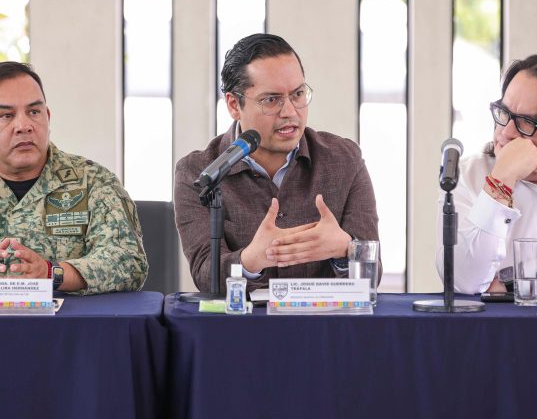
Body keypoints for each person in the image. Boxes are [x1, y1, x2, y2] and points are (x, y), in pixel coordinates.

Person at [174, 33, 380, 292]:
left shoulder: (345, 160)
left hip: (324, 317)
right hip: (244, 318)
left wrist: (345, 249)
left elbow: (372, 277)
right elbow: (205, 274)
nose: (290, 112)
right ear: (234, 105)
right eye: (271, 99)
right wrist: (251, 259)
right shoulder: (200, 172)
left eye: (298, 94)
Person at [0, 61, 148, 293]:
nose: (23, 126)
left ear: (48, 117)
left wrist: (52, 273)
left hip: (70, 316)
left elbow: (128, 262)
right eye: (6, 115)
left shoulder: (93, 180)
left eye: (34, 112)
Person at [436, 51, 537, 294]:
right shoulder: (468, 175)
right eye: (504, 113)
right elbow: (462, 281)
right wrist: (501, 180)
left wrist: (507, 287)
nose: (506, 132)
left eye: (526, 122)